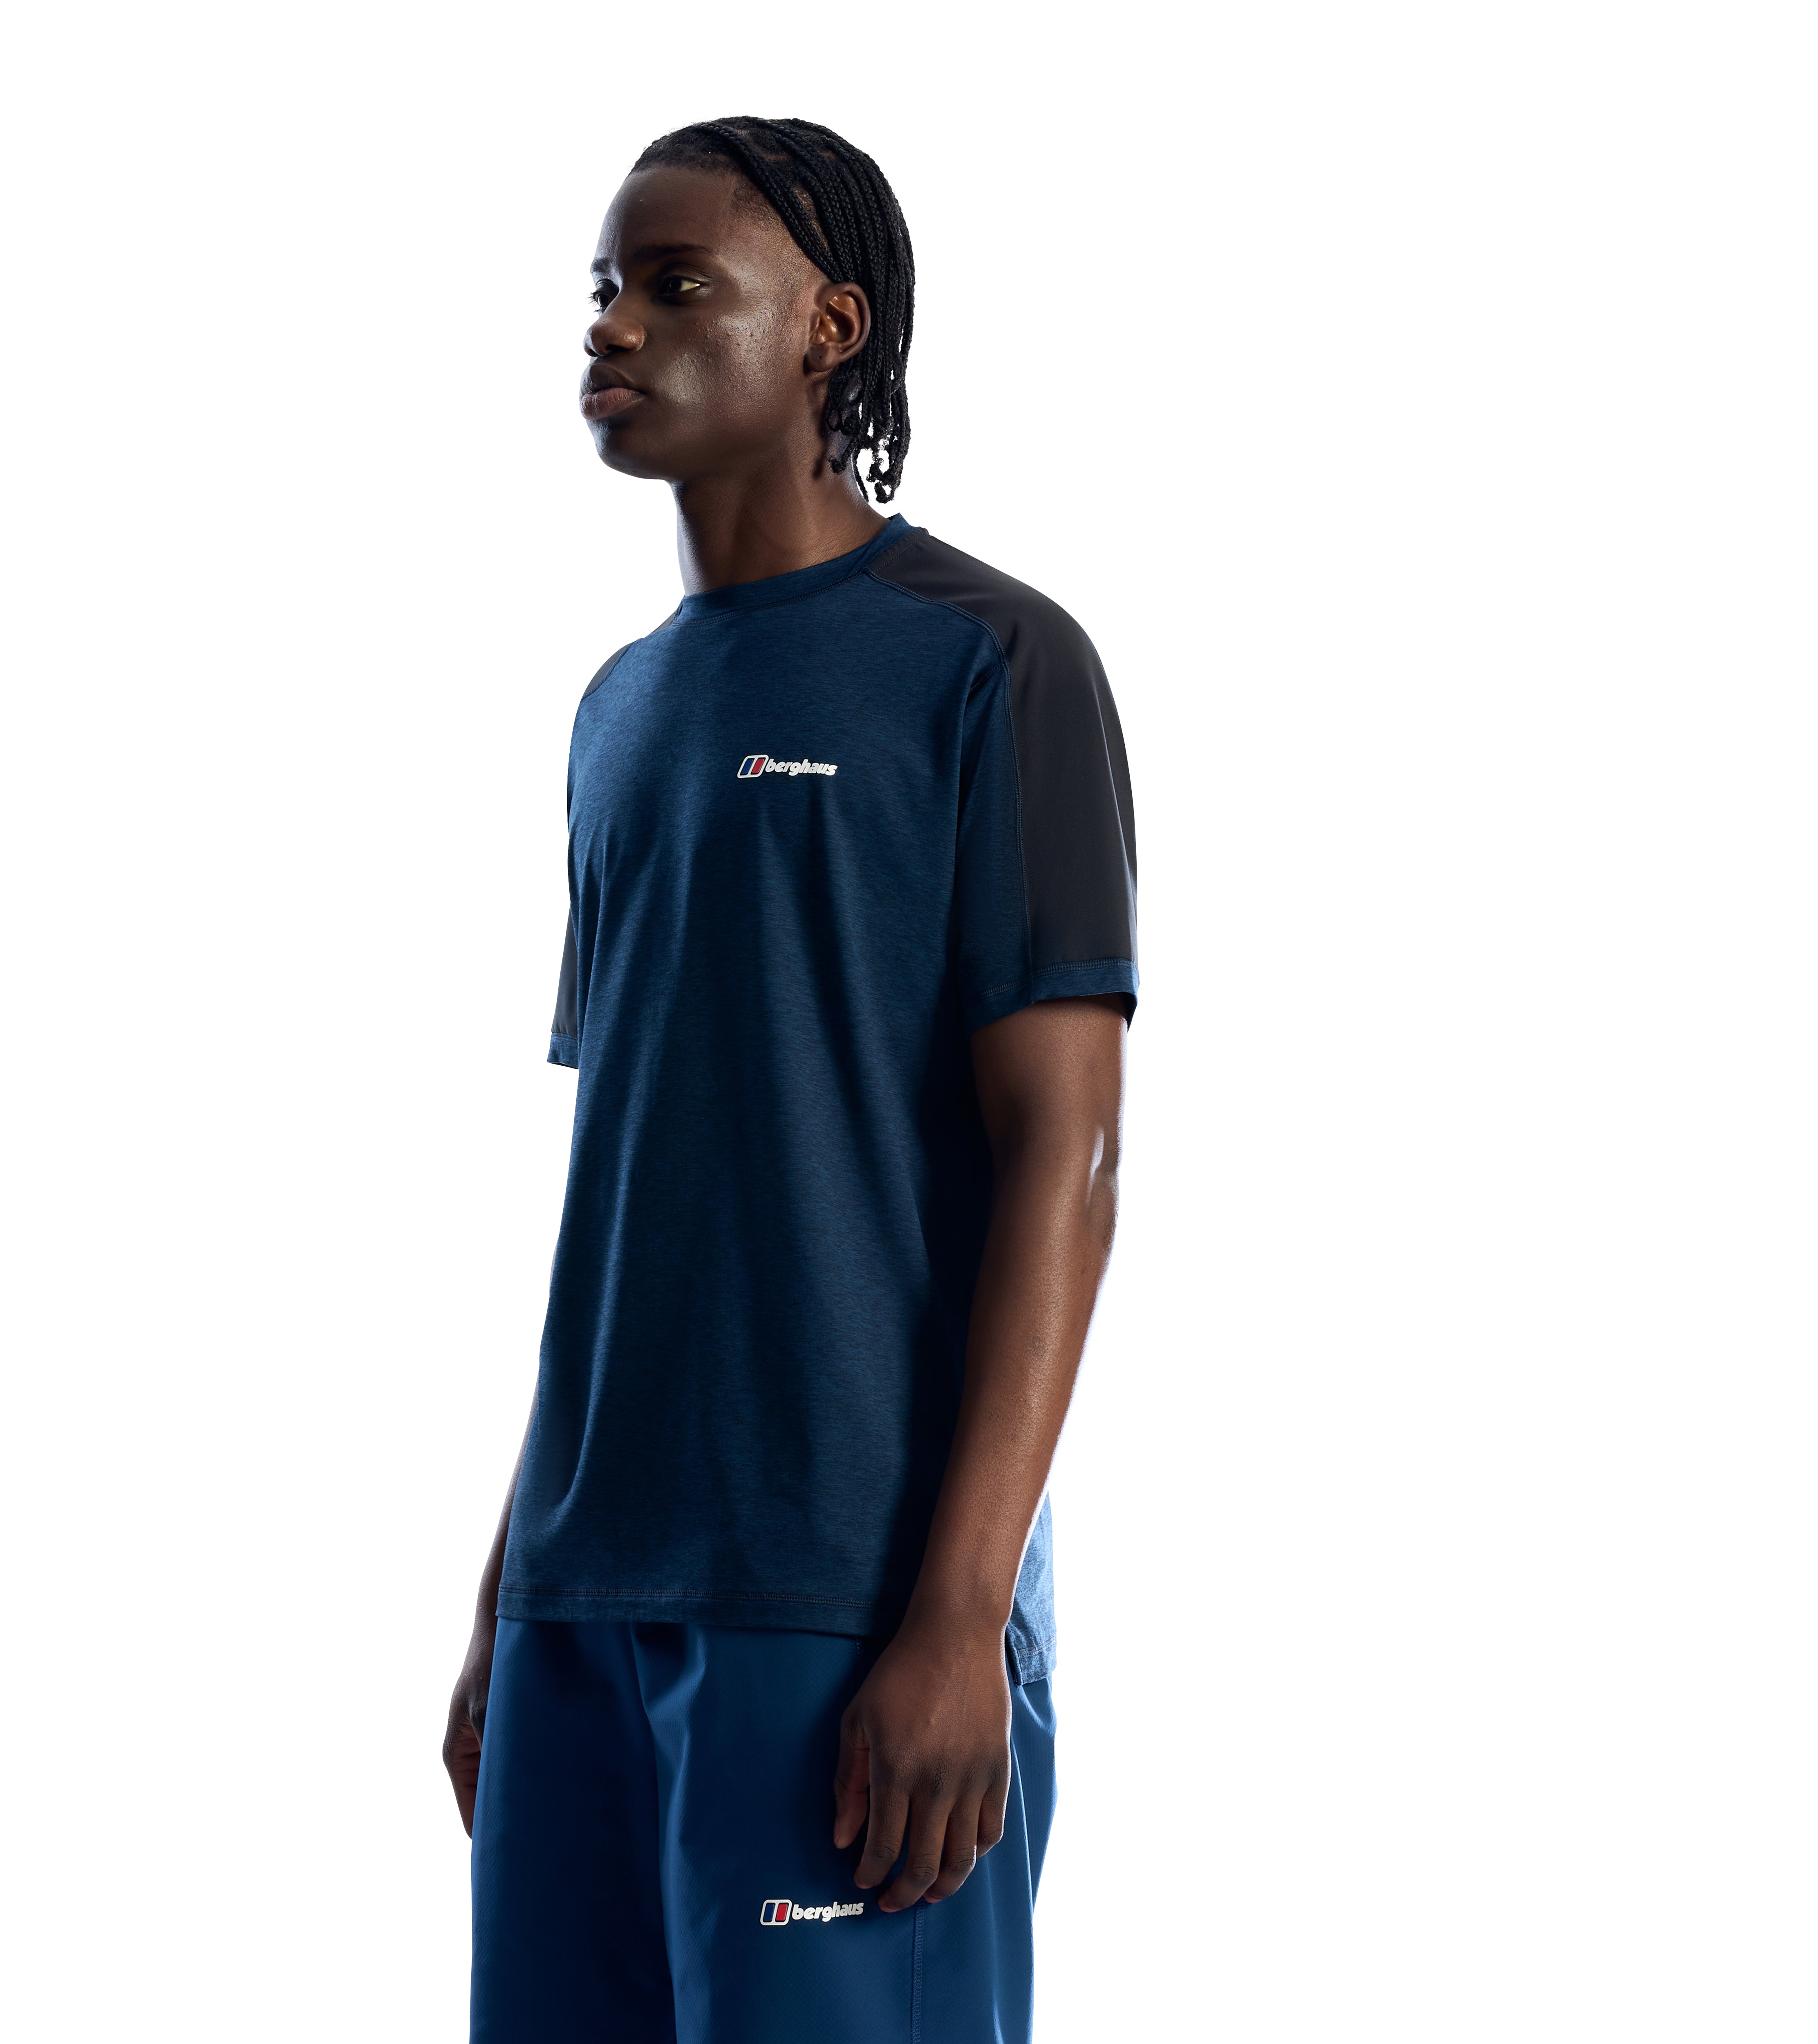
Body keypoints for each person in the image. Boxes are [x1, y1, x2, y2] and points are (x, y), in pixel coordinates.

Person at [446, 116, 1137, 2044]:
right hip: (582, 1608)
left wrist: (956, 1613)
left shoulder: (992, 664)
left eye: (677, 285)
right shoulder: (617, 713)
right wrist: (510, 1594)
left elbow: (1065, 1160)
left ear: (830, 327)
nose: (614, 325)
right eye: (603, 285)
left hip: (841, 1601)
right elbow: (634, 1179)